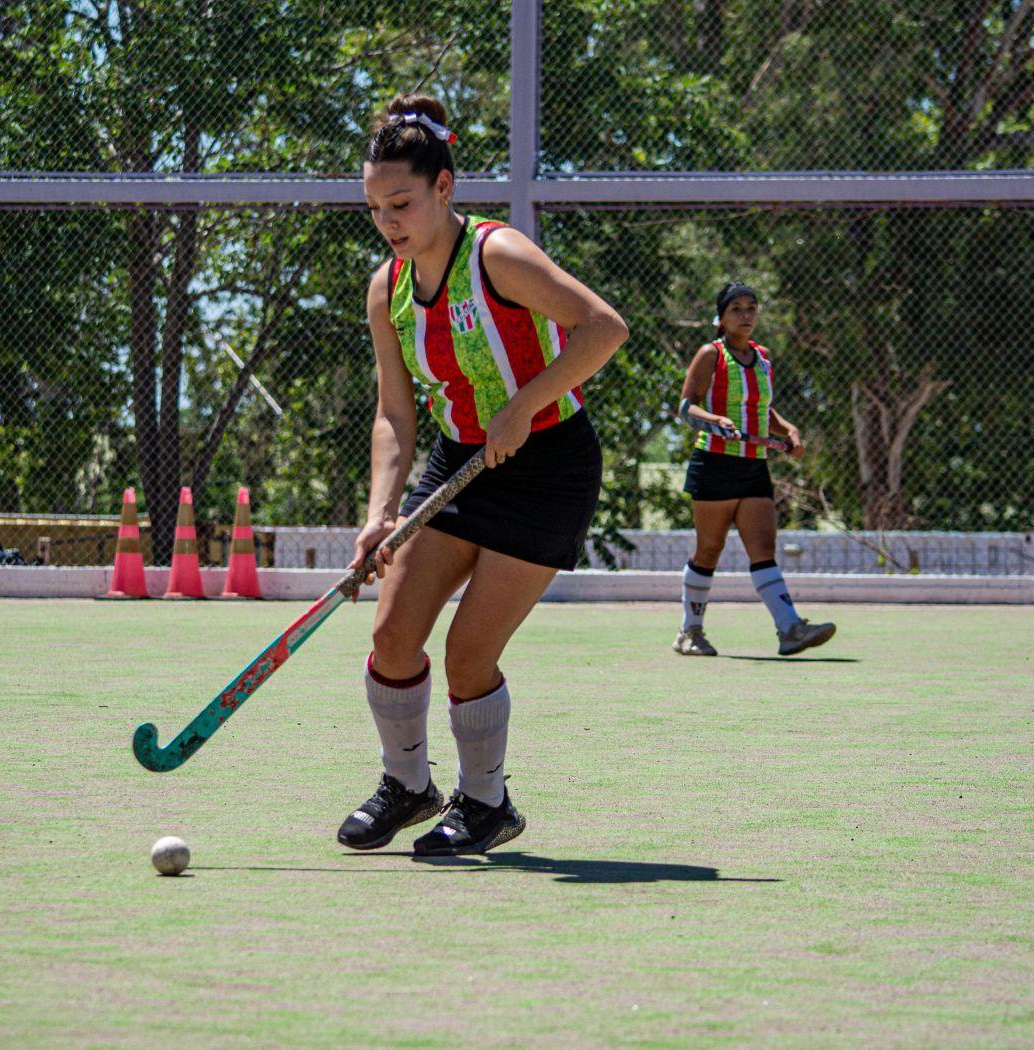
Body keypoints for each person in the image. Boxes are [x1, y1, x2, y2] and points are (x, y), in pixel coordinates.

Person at [339, 93, 629, 856]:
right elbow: (395, 414)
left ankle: (485, 804)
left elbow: (603, 328)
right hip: (456, 460)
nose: (389, 221)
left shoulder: (496, 255)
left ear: (444, 187)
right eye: (374, 207)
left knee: (470, 653)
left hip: (547, 466)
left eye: (401, 202)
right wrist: (379, 512)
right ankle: (407, 786)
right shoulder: (387, 289)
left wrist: (525, 405)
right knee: (394, 635)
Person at [673, 280, 836, 658]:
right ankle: (690, 632)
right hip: (713, 463)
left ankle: (790, 629)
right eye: (737, 309)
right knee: (708, 550)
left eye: (751, 308)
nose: (746, 315)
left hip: (753, 466)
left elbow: (762, 409)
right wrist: (714, 419)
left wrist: (788, 430)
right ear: (722, 317)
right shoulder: (710, 354)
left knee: (763, 550)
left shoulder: (762, 358)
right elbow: (686, 407)